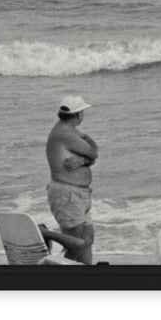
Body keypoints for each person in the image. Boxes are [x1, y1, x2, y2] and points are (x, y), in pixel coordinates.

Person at [45, 94, 98, 264]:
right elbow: (93, 152)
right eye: (82, 112)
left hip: (79, 194)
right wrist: (89, 141)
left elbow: (90, 158)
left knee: (87, 239)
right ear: (78, 114)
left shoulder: (69, 132)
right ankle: (53, 268)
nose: (83, 115)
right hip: (67, 194)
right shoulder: (65, 133)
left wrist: (82, 160)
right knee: (74, 245)